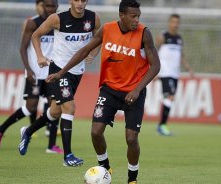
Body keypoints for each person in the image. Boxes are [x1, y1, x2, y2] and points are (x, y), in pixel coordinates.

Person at [44, 0, 160, 183]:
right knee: (96, 132)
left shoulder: (144, 33)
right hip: (109, 90)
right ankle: (105, 167)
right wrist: (61, 72)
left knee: (131, 139)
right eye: (133, 16)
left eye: (138, 16)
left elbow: (156, 66)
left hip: (133, 93)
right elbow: (84, 51)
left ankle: (132, 178)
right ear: (122, 16)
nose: (137, 20)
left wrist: (138, 90)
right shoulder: (107, 29)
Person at [18, 0, 101, 167]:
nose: (80, 3)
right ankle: (68, 156)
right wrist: (40, 56)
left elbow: (99, 37)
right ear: (71, 0)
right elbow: (35, 35)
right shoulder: (57, 19)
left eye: (83, 0)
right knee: (69, 107)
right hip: (58, 71)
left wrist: (93, 52)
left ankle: (28, 131)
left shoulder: (93, 18)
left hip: (77, 72)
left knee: (55, 111)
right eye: (77, 0)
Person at [0, 0, 63, 154]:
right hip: (35, 73)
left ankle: (51, 146)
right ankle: (0, 129)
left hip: (51, 74)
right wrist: (28, 70)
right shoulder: (33, 24)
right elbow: (23, 48)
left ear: (57, 7)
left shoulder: (59, 23)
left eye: (53, 6)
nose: (50, 9)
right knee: (30, 108)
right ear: (42, 7)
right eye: (47, 6)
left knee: (55, 107)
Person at [155, 14, 194, 136]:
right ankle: (162, 126)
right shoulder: (163, 36)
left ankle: (161, 125)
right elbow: (153, 52)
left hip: (175, 73)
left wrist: (188, 68)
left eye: (177, 22)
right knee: (170, 97)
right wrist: (153, 69)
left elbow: (181, 55)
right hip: (165, 72)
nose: (175, 24)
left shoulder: (179, 38)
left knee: (170, 99)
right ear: (169, 23)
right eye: (173, 22)